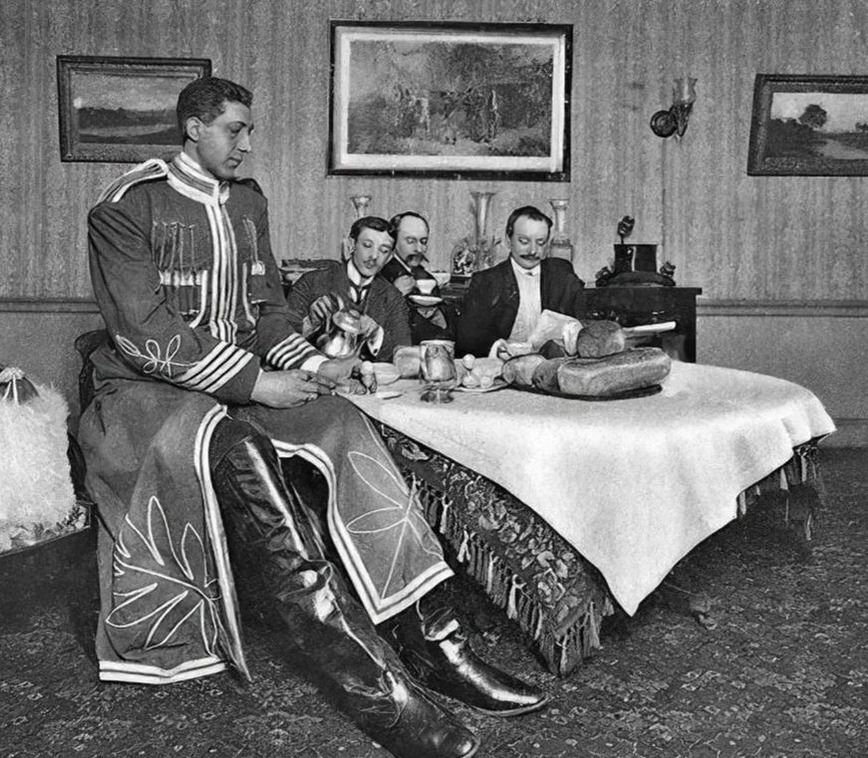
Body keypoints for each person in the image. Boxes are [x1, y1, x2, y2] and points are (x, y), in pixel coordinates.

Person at [78, 76, 546, 758]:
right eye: (234, 129)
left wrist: (314, 365)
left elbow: (268, 311)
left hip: (237, 382)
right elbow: (143, 331)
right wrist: (257, 383)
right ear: (193, 128)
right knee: (237, 446)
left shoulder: (248, 201)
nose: (246, 143)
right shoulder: (126, 205)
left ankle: (435, 643)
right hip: (143, 395)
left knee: (341, 422)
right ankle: (375, 689)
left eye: (249, 130)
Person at [456, 205, 585, 357]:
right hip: (501, 363)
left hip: (550, 363)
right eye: (524, 241)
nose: (532, 250)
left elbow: (581, 326)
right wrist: (497, 349)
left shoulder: (562, 276)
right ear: (508, 240)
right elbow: (467, 342)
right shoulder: (486, 281)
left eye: (540, 242)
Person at [285, 216, 412, 361]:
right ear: (351, 245)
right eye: (367, 245)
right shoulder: (311, 282)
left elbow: (404, 355)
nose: (374, 256)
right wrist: (310, 324)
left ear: (389, 257)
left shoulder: (393, 297)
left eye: (384, 250)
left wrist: (376, 334)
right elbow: (278, 339)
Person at [380, 211, 455, 343]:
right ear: (393, 241)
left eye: (423, 242)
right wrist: (395, 293)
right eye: (411, 241)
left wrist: (438, 314)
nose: (419, 249)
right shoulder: (382, 273)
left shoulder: (427, 277)